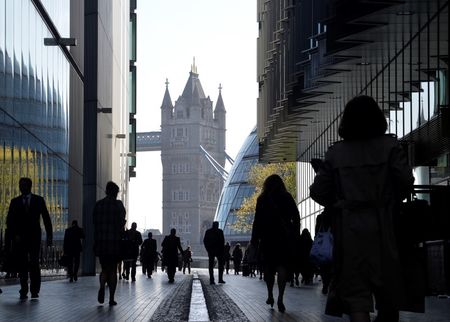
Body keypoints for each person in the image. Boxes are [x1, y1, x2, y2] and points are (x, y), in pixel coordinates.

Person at [310, 95, 414, 322]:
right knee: (389, 293)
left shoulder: (336, 153)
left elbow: (317, 191)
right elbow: (406, 180)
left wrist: (338, 203)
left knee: (356, 297)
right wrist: (392, 198)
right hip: (386, 228)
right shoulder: (390, 146)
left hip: (350, 232)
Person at [251, 174, 300, 313]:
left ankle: (270, 295)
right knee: (282, 268)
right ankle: (281, 297)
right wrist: (295, 233)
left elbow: (257, 221)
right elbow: (296, 216)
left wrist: (255, 240)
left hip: (268, 239)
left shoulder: (262, 199)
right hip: (283, 239)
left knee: (269, 269)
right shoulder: (287, 197)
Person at [6, 177, 53, 300]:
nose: (22, 187)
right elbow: (9, 221)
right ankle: (23, 289)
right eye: (20, 185)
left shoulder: (38, 200)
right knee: (22, 264)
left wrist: (49, 237)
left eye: (24, 185)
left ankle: (34, 290)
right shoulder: (14, 202)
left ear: (30, 186)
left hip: (34, 237)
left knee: (34, 263)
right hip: (19, 238)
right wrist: (14, 235)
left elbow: (46, 218)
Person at [93, 181, 126, 306]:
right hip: (114, 243)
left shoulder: (98, 205)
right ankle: (111, 298)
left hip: (101, 242)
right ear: (116, 193)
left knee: (104, 268)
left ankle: (102, 285)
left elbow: (94, 223)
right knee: (113, 270)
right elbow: (121, 223)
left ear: (106, 191)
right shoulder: (118, 205)